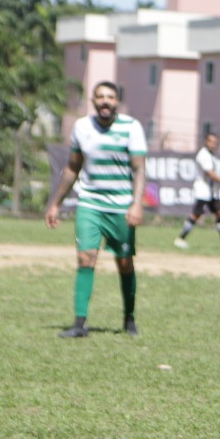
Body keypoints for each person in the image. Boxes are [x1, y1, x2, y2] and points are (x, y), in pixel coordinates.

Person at [46, 82, 146, 338]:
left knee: (124, 263)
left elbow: (139, 169)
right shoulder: (81, 127)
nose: (105, 101)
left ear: (117, 102)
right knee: (85, 258)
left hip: (122, 207)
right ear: (92, 101)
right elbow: (72, 168)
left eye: (110, 97)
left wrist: (136, 203)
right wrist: (55, 203)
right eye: (100, 96)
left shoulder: (131, 127)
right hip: (90, 204)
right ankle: (80, 324)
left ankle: (129, 319)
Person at [174, 132, 220, 251]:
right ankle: (180, 239)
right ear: (206, 141)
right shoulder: (203, 155)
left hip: (212, 191)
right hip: (203, 191)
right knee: (196, 215)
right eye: (211, 141)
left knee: (219, 213)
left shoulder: (212, 156)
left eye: (215, 142)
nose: (214, 144)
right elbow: (210, 174)